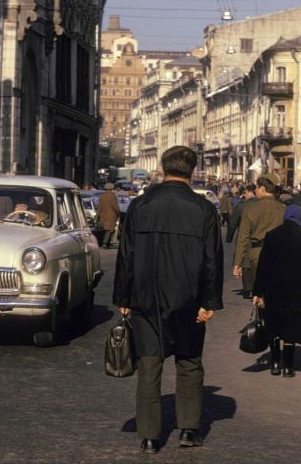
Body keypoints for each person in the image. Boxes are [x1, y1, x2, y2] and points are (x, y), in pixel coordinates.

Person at [113, 146, 224, 455]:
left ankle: (149, 436)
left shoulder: (140, 205)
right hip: (189, 296)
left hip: (146, 295)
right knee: (189, 362)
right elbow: (213, 259)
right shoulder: (203, 209)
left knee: (149, 364)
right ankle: (188, 430)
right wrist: (209, 301)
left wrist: (123, 296)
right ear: (192, 171)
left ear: (162, 169)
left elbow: (127, 253)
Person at [253, 205, 301, 378]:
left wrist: (257, 291)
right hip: (296, 288)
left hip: (272, 287)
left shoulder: (272, 235)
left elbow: (263, 265)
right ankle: (288, 367)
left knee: (273, 322)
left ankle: (275, 363)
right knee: (292, 323)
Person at [233, 174, 285, 299]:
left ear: (262, 188)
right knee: (275, 291)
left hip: (257, 253)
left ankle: (262, 314)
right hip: (279, 253)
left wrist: (238, 263)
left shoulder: (251, 208)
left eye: (257, 187)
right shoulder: (283, 208)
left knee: (260, 291)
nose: (255, 190)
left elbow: (243, 238)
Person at [96, 183, 121, 248]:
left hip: (103, 215)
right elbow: (115, 206)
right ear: (112, 189)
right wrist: (119, 213)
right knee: (109, 230)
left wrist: (97, 215)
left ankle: (105, 243)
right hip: (111, 215)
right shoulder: (113, 196)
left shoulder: (101, 196)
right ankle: (105, 243)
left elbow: (99, 206)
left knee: (105, 229)